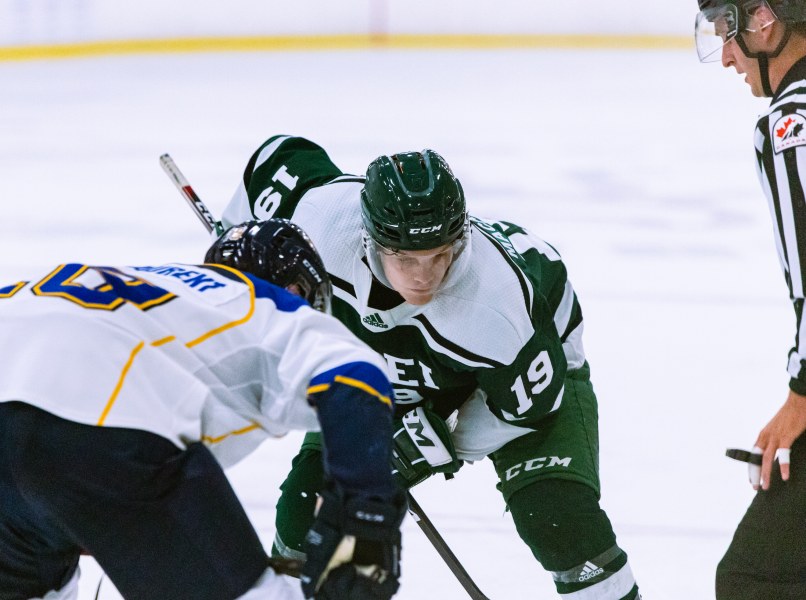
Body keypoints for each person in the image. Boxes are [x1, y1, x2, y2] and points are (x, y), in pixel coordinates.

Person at [219, 135, 641, 599]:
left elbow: (529, 408)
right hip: (385, 363)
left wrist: (418, 446)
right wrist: (236, 247)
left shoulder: (496, 310)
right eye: (404, 258)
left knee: (561, 522)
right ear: (370, 237)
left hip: (520, 373)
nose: (424, 276)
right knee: (304, 518)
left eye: (439, 255)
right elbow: (276, 156)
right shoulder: (322, 218)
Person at [0, 219, 405, 600]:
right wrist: (365, 512)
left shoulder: (140, 284)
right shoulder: (270, 306)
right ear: (300, 292)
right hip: (104, 425)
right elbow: (357, 374)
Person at [696, 1, 806, 597]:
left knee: (755, 580)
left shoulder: (793, 122)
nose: (728, 57)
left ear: (766, 20)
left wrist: (802, 393)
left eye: (729, 34)